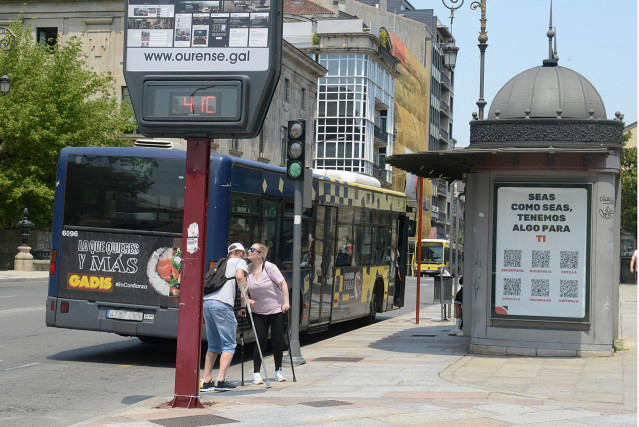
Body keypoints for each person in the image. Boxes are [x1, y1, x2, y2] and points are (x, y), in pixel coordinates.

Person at [200, 243, 248, 392]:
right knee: (229, 344)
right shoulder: (240, 262)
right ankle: (220, 380)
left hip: (207, 303)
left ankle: (206, 381)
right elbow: (240, 277)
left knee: (213, 344)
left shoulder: (220, 263)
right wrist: (245, 298)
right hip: (222, 304)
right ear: (240, 253)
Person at [246, 242, 290, 384]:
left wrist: (286, 302)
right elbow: (244, 291)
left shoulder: (269, 267)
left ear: (260, 254)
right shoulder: (248, 269)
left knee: (277, 340)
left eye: (252, 249)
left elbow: (283, 284)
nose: (248, 251)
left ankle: (278, 370)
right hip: (258, 311)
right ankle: (256, 373)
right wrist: (245, 304)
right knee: (260, 340)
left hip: (276, 309)